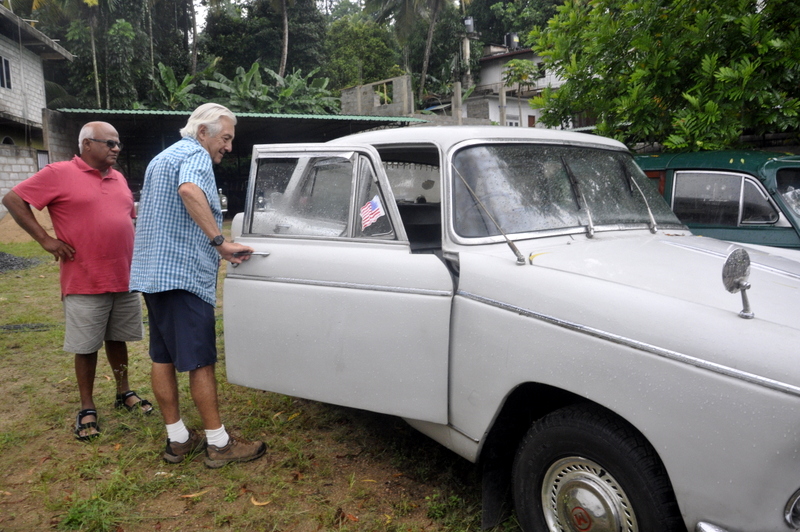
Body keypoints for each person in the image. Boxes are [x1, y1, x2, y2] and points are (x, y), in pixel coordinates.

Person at [130, 103, 266, 468]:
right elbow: (190, 191)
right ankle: (219, 444)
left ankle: (178, 440)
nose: (229, 147)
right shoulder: (195, 155)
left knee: (163, 357)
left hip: (152, 273)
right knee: (200, 361)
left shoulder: (162, 158)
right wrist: (220, 241)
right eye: (225, 138)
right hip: (182, 275)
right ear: (203, 133)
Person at [2, 122, 152, 442]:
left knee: (117, 339)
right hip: (84, 277)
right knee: (86, 346)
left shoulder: (119, 177)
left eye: (118, 144)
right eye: (109, 143)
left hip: (123, 276)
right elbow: (14, 199)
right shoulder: (59, 172)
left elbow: (124, 217)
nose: (116, 149)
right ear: (86, 144)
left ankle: (123, 391)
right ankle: (87, 406)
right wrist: (44, 239)